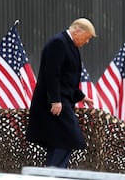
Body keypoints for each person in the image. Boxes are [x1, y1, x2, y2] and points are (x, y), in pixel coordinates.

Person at [26, 18, 96, 168]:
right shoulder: (58, 43)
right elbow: (52, 74)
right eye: (88, 37)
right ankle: (54, 174)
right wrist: (55, 100)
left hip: (61, 101)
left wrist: (81, 97)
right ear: (77, 31)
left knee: (59, 141)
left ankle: (53, 173)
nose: (87, 41)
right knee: (68, 137)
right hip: (54, 103)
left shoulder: (70, 45)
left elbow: (66, 79)